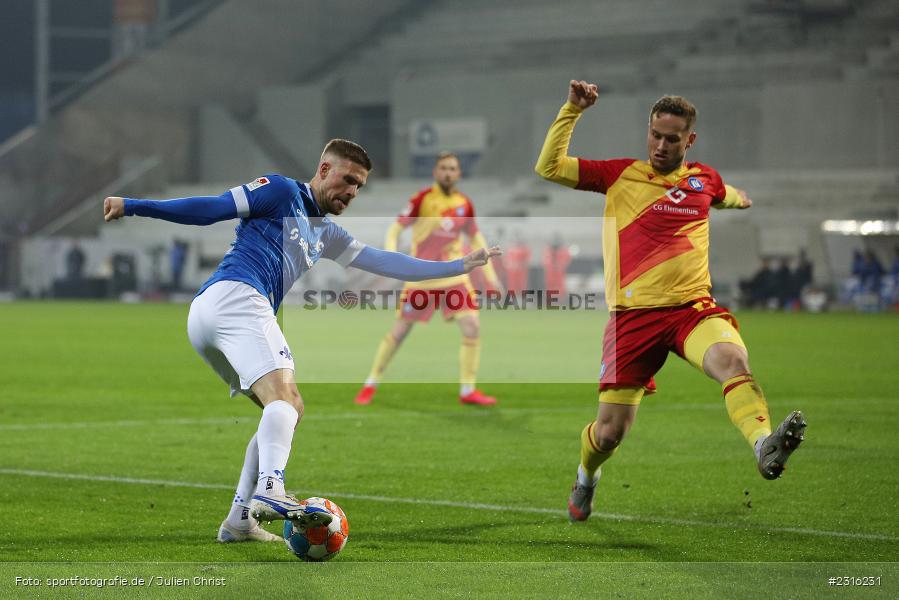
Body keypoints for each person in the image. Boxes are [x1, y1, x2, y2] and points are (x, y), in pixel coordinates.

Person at [103, 139, 500, 542]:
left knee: (286, 408)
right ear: (324, 170)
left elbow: (386, 261)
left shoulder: (327, 232)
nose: (352, 192)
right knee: (286, 403)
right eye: (347, 180)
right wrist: (134, 204)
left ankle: (240, 520)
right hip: (236, 297)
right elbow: (214, 208)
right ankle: (271, 488)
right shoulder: (281, 191)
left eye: (359, 186)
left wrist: (457, 265)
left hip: (214, 314)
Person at [535, 80, 806, 522]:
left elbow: (724, 194)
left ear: (690, 139)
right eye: (655, 136)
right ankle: (585, 478)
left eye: (672, 139)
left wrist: (741, 201)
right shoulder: (619, 175)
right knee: (608, 435)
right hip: (632, 318)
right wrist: (572, 109)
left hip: (690, 310)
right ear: (648, 132)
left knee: (733, 362)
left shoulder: (704, 180)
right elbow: (548, 167)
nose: (661, 146)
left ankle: (763, 445)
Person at [354, 152, 502, 407]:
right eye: (443, 168)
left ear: (458, 174)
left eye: (452, 168)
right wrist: (391, 257)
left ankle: (468, 390)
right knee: (399, 332)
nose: (448, 172)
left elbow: (475, 237)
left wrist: (491, 276)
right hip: (421, 276)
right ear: (435, 172)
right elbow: (396, 227)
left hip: (454, 276)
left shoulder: (464, 203)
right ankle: (370, 383)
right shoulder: (422, 199)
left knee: (472, 327)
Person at [542, 234, 571, 299]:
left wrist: (559, 265)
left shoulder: (563, 251)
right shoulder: (547, 251)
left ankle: (559, 299)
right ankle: (550, 299)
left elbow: (566, 261)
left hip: (559, 273)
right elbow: (545, 261)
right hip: (550, 273)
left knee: (560, 286)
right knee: (550, 285)